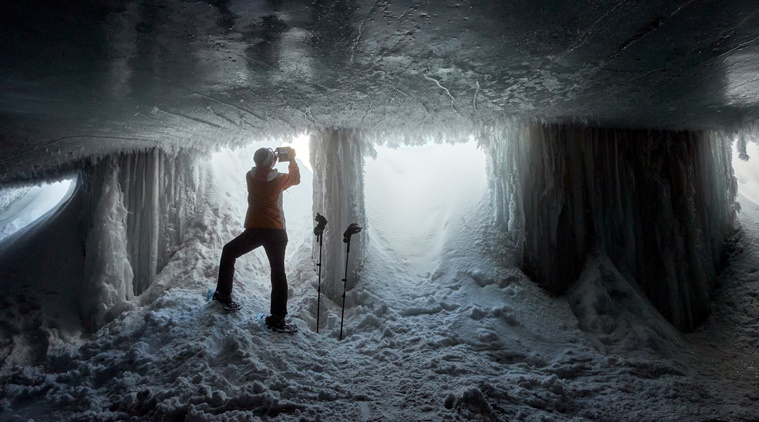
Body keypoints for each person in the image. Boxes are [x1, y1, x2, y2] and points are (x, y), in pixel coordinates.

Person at [212, 146, 300, 330]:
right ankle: (278, 318)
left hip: (254, 230)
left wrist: (271, 159)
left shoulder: (249, 177)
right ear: (272, 162)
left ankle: (223, 294)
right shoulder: (278, 179)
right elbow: (296, 179)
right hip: (276, 232)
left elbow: (262, 172)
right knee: (278, 272)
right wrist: (291, 159)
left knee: (229, 252)